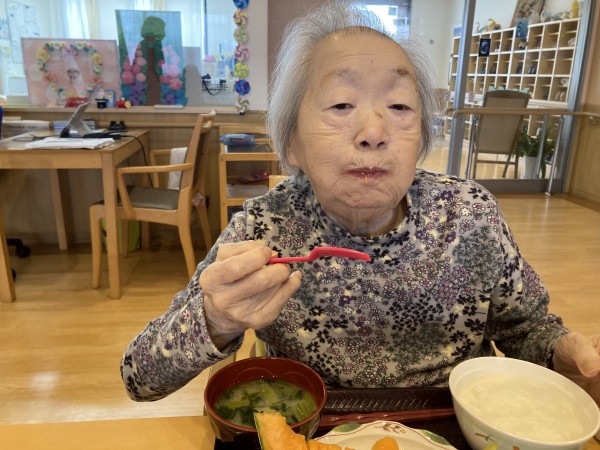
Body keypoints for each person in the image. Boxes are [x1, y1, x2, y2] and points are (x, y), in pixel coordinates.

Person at [120, 0, 599, 405]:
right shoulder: (265, 227)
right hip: (314, 429)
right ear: (292, 143)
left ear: (421, 139)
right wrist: (216, 320)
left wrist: (565, 356)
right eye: (341, 105)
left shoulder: (469, 213)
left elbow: (526, 331)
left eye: (400, 107)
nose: (373, 133)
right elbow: (139, 379)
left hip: (455, 424)